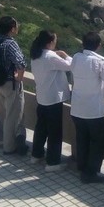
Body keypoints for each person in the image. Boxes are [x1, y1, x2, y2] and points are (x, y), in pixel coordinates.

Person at [69, 31, 104, 184]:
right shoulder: (100, 61)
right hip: (93, 111)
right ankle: (91, 173)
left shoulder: (76, 57)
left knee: (81, 139)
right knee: (97, 142)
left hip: (77, 109)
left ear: (83, 44)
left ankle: (81, 166)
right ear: (99, 46)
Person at [29, 29, 72, 171]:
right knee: (54, 132)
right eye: (54, 41)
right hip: (53, 99)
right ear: (49, 43)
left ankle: (36, 155)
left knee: (41, 128)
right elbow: (71, 66)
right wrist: (65, 55)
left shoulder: (36, 54)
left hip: (42, 97)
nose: (55, 43)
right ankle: (53, 163)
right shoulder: (50, 57)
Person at [0, 15, 28, 155]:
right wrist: (19, 79)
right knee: (12, 117)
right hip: (10, 84)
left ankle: (19, 139)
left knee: (10, 113)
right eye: (16, 26)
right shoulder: (10, 43)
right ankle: (9, 147)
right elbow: (21, 63)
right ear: (12, 29)